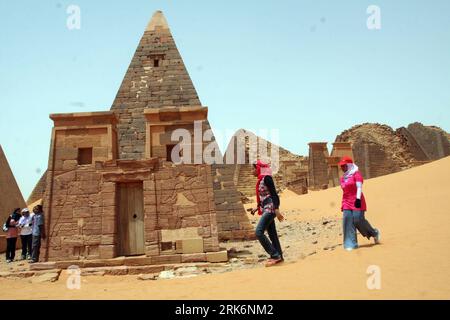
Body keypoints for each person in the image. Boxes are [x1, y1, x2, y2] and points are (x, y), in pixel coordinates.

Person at [339, 156, 380, 251]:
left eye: (344, 166)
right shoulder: (343, 178)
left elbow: (359, 187)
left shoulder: (356, 174)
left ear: (349, 165)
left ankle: (374, 233)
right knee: (347, 220)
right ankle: (350, 243)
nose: (342, 168)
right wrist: (343, 204)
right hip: (346, 202)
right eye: (341, 166)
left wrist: (357, 199)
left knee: (358, 220)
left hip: (357, 201)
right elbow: (344, 192)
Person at [249, 160, 284, 267]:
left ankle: (274, 255)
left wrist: (277, 209)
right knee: (272, 234)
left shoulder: (267, 178)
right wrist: (257, 208)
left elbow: (274, 194)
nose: (252, 171)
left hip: (270, 209)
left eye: (253, 168)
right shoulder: (260, 180)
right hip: (266, 208)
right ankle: (279, 256)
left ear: (258, 168)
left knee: (258, 232)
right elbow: (264, 196)